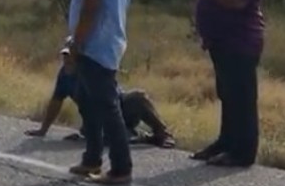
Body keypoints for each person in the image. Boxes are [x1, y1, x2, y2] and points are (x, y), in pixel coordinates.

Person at [192, 0, 270, 168]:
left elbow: (237, 1)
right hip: (223, 40)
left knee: (242, 97)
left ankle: (243, 152)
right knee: (228, 93)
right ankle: (226, 142)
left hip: (241, 40)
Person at [63, 0, 133, 185]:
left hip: (96, 44)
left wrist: (76, 43)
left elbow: (91, 5)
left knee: (106, 105)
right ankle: (92, 157)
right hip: (108, 40)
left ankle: (121, 167)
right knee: (87, 101)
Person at [25, 44, 175, 147]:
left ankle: (162, 133)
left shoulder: (94, 70)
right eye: (65, 57)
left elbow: (109, 100)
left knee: (139, 97)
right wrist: (43, 130)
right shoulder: (64, 75)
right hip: (96, 118)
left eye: (71, 57)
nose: (67, 61)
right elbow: (56, 101)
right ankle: (137, 137)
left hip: (119, 108)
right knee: (102, 138)